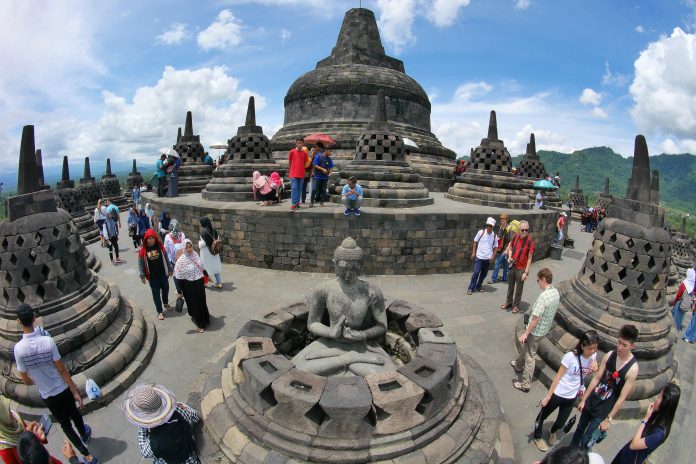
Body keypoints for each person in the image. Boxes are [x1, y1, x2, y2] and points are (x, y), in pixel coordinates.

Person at [13, 305, 98, 464]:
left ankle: (85, 454)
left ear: (18, 321)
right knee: (75, 414)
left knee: (65, 425)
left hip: (47, 394)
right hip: (62, 388)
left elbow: (25, 380)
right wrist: (75, 391)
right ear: (34, 319)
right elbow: (62, 370)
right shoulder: (47, 340)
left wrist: (39, 381)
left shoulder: (18, 349)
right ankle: (84, 434)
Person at [571, 325, 640, 448]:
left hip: (603, 409)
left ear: (632, 346)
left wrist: (609, 419)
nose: (620, 347)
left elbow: (622, 397)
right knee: (579, 428)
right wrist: (584, 399)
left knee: (587, 438)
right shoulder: (609, 355)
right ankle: (569, 453)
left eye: (624, 345)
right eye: (619, 342)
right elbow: (597, 378)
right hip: (592, 400)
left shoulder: (632, 369)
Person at [532, 330, 600, 451]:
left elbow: (593, 371)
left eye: (595, 347)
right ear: (583, 345)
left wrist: (595, 369)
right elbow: (558, 376)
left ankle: (552, 431)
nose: (593, 351)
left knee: (561, 422)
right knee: (543, 416)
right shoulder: (570, 357)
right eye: (590, 348)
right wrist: (548, 396)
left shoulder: (593, 356)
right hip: (559, 392)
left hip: (572, 396)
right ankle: (537, 436)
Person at [122, 384, 201, 464]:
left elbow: (144, 452)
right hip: (192, 458)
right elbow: (196, 416)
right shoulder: (180, 409)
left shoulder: (154, 444)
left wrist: (142, 427)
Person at [511, 268, 560, 392]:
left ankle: (525, 384)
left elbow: (535, 318)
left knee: (530, 356)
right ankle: (518, 364)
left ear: (543, 279)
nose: (538, 283)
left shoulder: (543, 297)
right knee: (527, 347)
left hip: (536, 331)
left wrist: (526, 333)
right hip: (545, 329)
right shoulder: (555, 292)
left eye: (538, 280)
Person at [610, 383, 680, 464]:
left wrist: (646, 419)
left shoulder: (659, 434)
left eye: (659, 397)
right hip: (625, 454)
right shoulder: (657, 416)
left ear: (664, 404)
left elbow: (633, 445)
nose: (656, 399)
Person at [0, 396, 64, 464]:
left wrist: (38, 436)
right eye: (7, 412)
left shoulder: (17, 418)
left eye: (9, 408)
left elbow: (32, 443)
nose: (12, 413)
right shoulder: (4, 449)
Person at [174, 240, 211, 333]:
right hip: (188, 285)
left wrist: (206, 275)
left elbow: (201, 266)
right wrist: (179, 291)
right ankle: (201, 321)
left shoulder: (195, 254)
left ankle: (203, 323)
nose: (189, 249)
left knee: (202, 301)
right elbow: (177, 276)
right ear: (183, 248)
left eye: (190, 246)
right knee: (194, 304)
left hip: (199, 283)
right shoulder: (181, 261)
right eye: (186, 247)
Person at [138, 229, 174, 321]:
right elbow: (141, 264)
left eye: (152, 238)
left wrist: (170, 269)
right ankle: (159, 311)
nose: (150, 240)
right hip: (153, 277)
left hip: (163, 274)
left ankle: (166, 303)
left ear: (155, 238)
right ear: (146, 239)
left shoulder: (160, 247)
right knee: (156, 294)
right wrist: (142, 275)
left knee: (166, 288)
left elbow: (166, 258)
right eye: (148, 238)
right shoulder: (143, 251)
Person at [501, 220, 535, 314]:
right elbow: (510, 247)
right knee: (510, 286)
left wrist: (526, 272)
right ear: (519, 230)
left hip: (521, 268)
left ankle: (516, 305)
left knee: (519, 288)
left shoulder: (530, 241)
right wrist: (510, 257)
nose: (524, 232)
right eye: (523, 230)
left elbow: (529, 258)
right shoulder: (515, 237)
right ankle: (508, 302)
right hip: (513, 265)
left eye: (526, 230)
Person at [467, 217, 499, 295]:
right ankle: (471, 287)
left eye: (490, 226)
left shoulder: (494, 236)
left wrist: (493, 256)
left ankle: (479, 285)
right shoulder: (481, 232)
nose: (488, 227)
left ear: (493, 227)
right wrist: (473, 253)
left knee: (484, 274)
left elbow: (496, 247)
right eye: (487, 225)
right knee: (476, 272)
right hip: (479, 257)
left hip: (488, 259)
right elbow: (475, 242)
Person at [164, 219, 186, 300]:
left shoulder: (168, 237)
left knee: (175, 275)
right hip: (183, 258)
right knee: (183, 273)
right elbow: (184, 245)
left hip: (173, 260)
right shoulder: (182, 235)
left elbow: (166, 249)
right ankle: (184, 288)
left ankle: (179, 290)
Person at [199, 217, 222, 289]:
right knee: (216, 268)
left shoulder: (203, 232)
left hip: (206, 253)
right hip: (214, 252)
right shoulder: (214, 230)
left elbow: (202, 244)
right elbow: (218, 239)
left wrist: (199, 243)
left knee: (204, 268)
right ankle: (219, 282)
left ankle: (205, 283)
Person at [489, 213, 512, 284]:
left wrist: (507, 249)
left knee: (500, 263)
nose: (501, 220)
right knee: (502, 264)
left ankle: (497, 278)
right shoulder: (501, 227)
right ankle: (501, 278)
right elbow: (499, 237)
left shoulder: (509, 228)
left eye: (503, 219)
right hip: (501, 248)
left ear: (506, 220)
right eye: (501, 219)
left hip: (506, 248)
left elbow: (511, 239)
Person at [670, 267, 694, 334]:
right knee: (680, 319)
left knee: (675, 319)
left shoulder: (685, 284)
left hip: (680, 303)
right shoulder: (692, 285)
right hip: (685, 305)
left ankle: (673, 333)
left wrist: (675, 303)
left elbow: (678, 295)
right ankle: (676, 331)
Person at [288, 138, 309, 211]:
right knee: (294, 189)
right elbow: (290, 162)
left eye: (301, 143)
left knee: (299, 189)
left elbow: (306, 162)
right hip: (293, 173)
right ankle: (294, 204)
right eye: (298, 143)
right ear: (296, 143)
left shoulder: (304, 153)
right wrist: (291, 170)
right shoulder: (292, 152)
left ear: (303, 144)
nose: (299, 144)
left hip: (301, 173)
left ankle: (297, 203)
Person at [310, 142, 333, 207]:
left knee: (323, 190)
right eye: (330, 151)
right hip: (317, 176)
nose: (331, 153)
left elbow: (331, 167)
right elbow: (314, 165)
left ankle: (321, 202)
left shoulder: (329, 159)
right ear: (326, 151)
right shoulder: (318, 156)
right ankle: (311, 202)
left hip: (325, 177)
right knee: (314, 189)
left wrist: (330, 172)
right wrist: (322, 169)